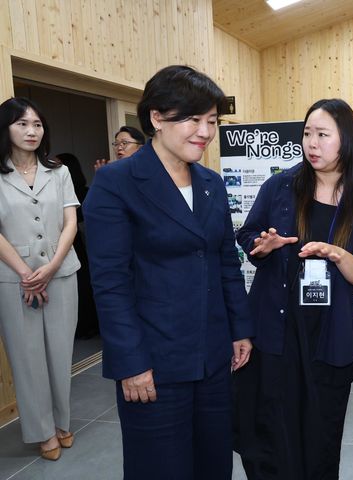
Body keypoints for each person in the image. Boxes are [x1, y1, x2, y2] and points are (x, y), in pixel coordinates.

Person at [83, 65, 254, 479]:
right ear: (157, 118)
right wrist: (130, 363)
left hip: (214, 357)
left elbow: (225, 261)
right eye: (193, 119)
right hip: (154, 363)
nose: (205, 131)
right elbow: (110, 283)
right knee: (160, 467)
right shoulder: (116, 183)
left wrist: (239, 329)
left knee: (213, 463)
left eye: (212, 121)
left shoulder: (211, 182)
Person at [233, 98, 353, 480]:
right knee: (271, 439)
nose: (311, 143)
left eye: (322, 135)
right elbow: (249, 236)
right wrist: (262, 245)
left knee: (319, 442)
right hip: (276, 333)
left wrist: (337, 254)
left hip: (328, 338)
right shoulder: (280, 186)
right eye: (307, 134)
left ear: (345, 141)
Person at [0, 97, 80, 460]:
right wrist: (25, 273)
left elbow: (70, 223)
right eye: (22, 124)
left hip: (60, 272)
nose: (32, 131)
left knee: (60, 353)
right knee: (27, 357)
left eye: (37, 124)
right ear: (6, 128)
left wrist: (50, 267)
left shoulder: (58, 171)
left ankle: (62, 422)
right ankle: (42, 431)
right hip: (13, 278)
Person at [55, 152, 99, 339]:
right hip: (71, 242)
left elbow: (83, 218)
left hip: (78, 243)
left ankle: (87, 325)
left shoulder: (83, 191)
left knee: (82, 283)